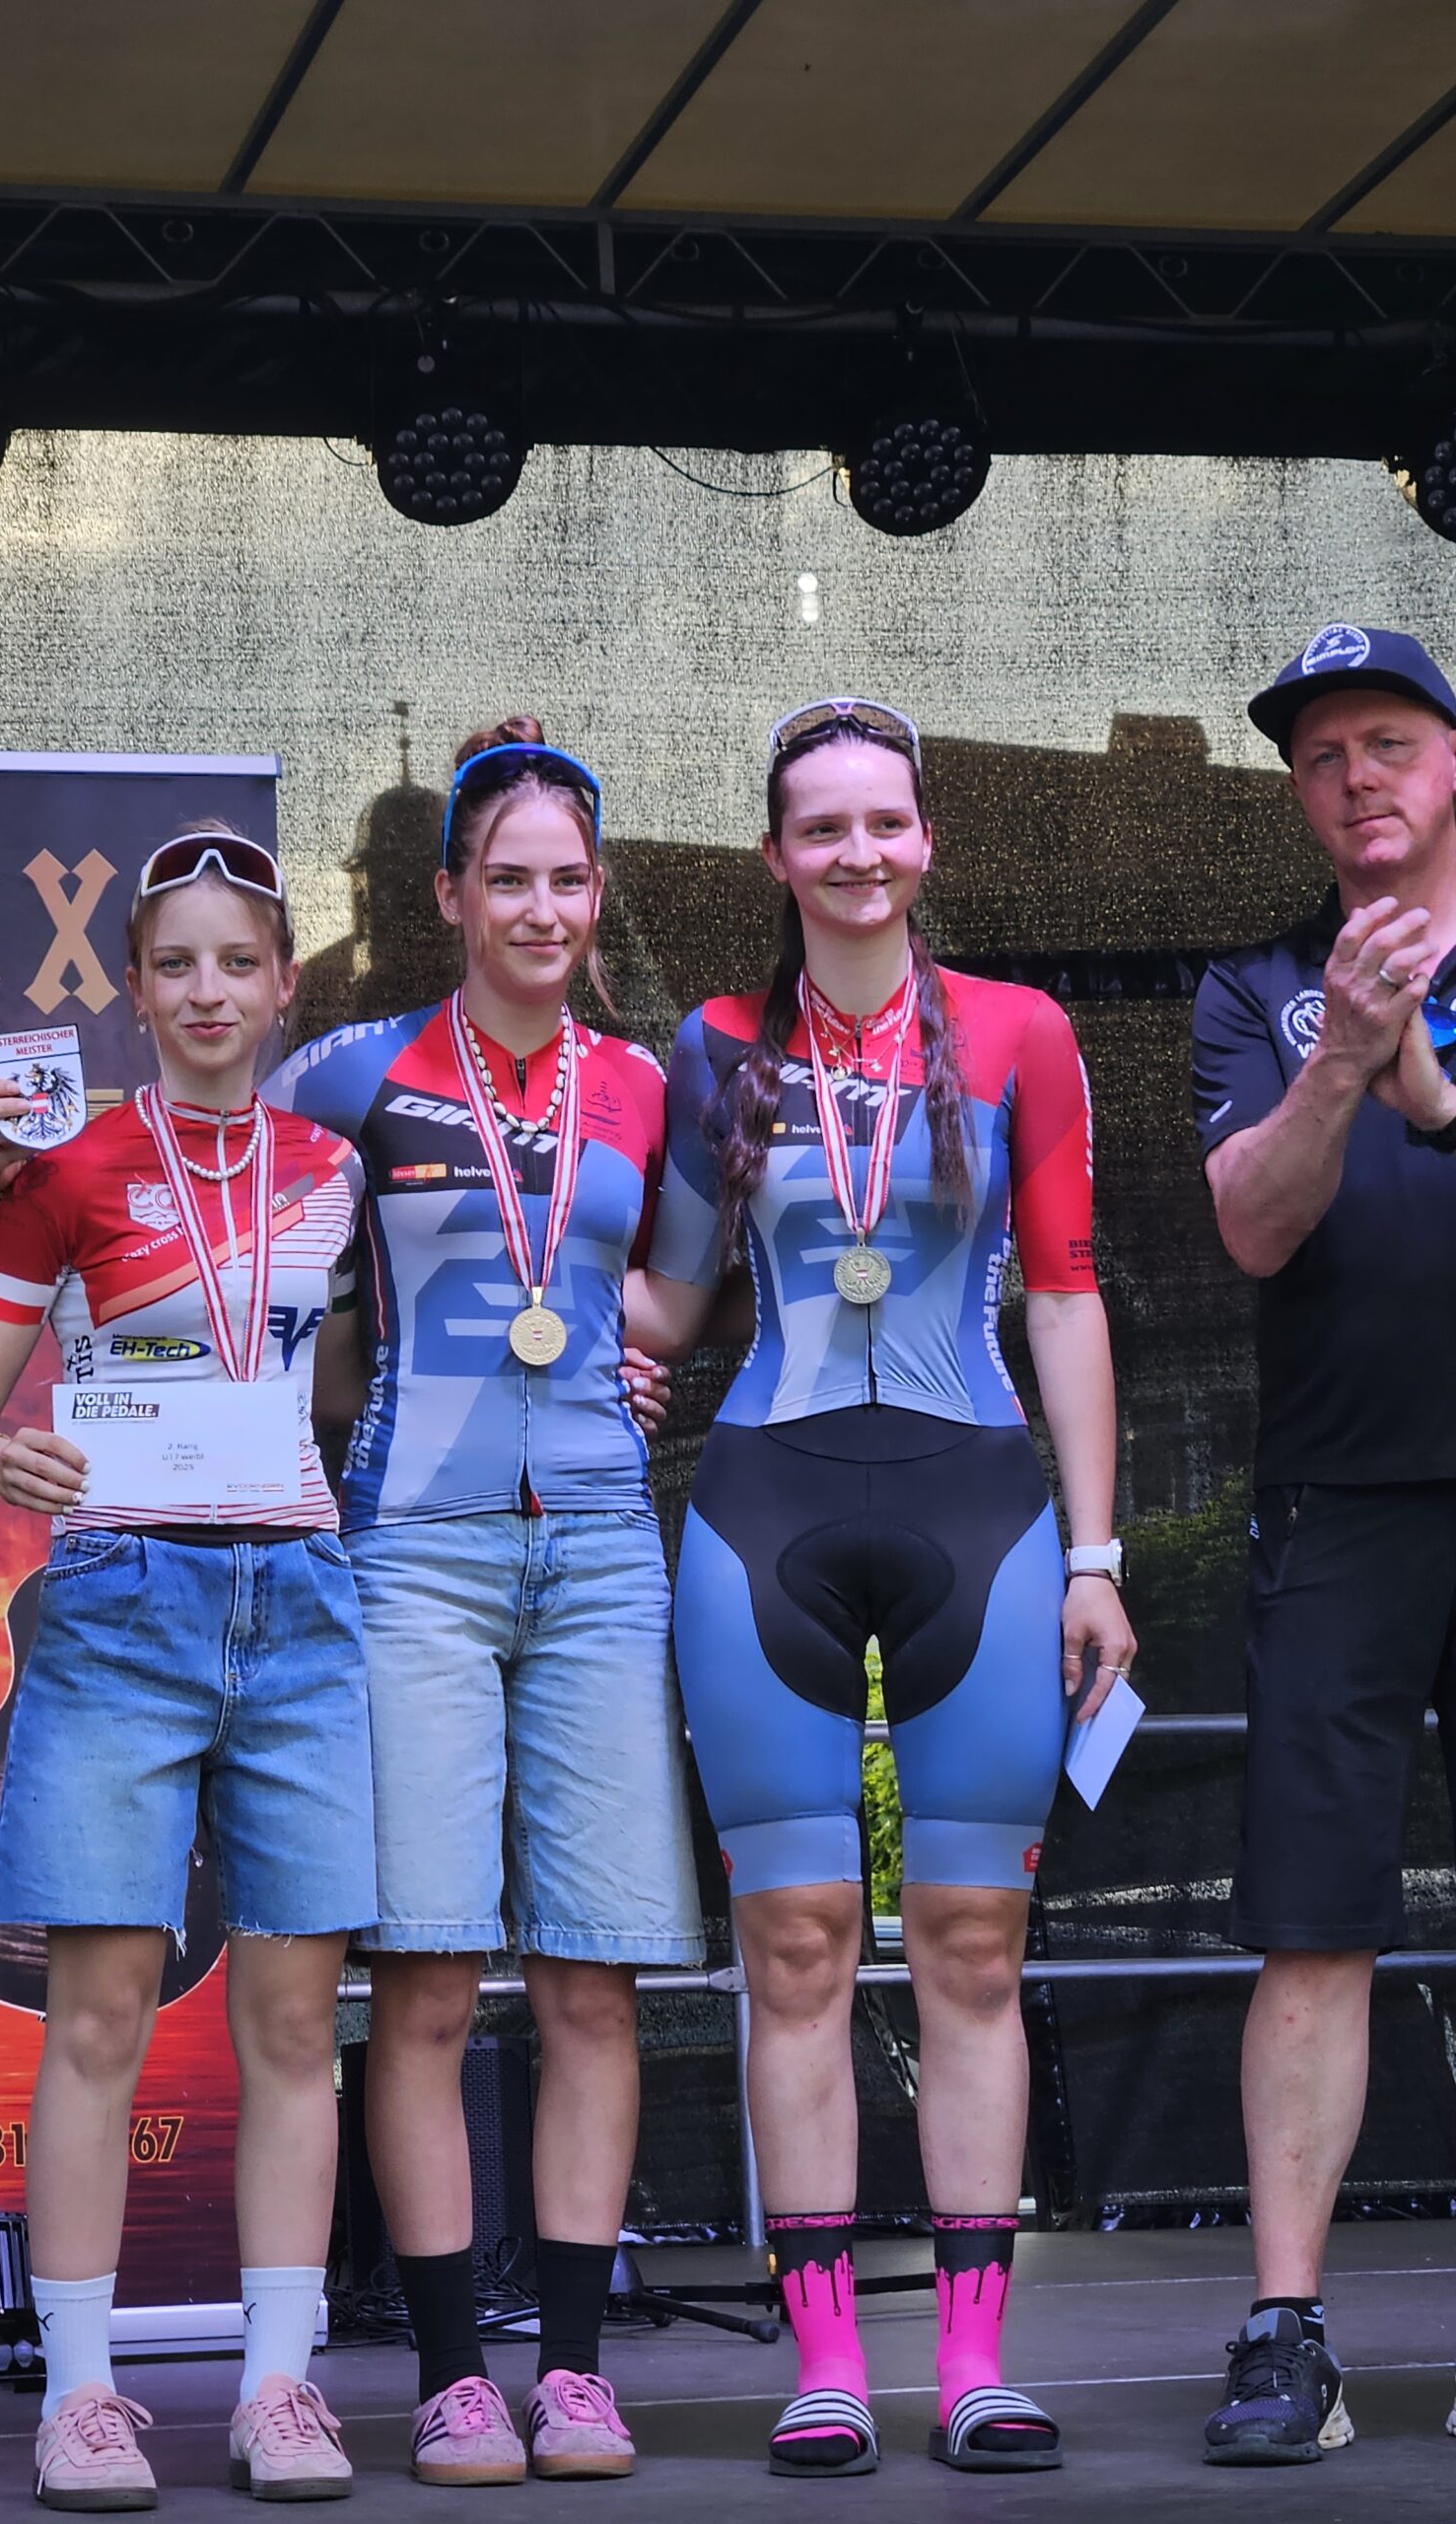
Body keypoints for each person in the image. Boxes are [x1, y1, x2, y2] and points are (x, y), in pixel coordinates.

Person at [0, 722, 699, 2488]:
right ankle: (317, 2380)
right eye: (504, 876)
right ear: (445, 897)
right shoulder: (334, 1086)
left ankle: (485, 2376)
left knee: (499, 1993)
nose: (537, 905)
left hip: (485, 1556)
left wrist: (638, 1364)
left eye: (566, 877)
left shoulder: (628, 1089)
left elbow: (649, 1295)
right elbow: (127, 1208)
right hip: (319, 1562)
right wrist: (9, 1174)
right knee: (332, 1989)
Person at [624, 696, 1136, 2480]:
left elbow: (1063, 1295)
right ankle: (827, 2363)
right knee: (795, 1947)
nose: (857, 853)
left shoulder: (1020, 1032)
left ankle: (976, 2362)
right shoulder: (714, 1045)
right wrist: (487, 1296)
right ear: (776, 856)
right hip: (760, 1513)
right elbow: (666, 1295)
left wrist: (1096, 1555)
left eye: (884, 823)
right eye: (822, 828)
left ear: (927, 842)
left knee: (973, 1942)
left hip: (976, 1511)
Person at [0, 826, 375, 2506]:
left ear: (282, 983)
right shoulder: (64, 1168)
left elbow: (336, 1392)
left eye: (237, 962)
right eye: (174, 963)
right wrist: (0, 1461)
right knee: (101, 2010)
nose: (207, 991)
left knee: (291, 2016)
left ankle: (279, 2388)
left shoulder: (335, 1171)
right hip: (121, 1601)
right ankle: (83, 2394)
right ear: (132, 989)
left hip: (301, 1600)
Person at [1193, 625, 1456, 2467]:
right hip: (1345, 1503)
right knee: (1312, 1925)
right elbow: (1251, 1228)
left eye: (1388, 742)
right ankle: (1286, 2333)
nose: (1354, 776)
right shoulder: (1259, 987)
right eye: (1319, 756)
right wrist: (1343, 1069)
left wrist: (1434, 1090)